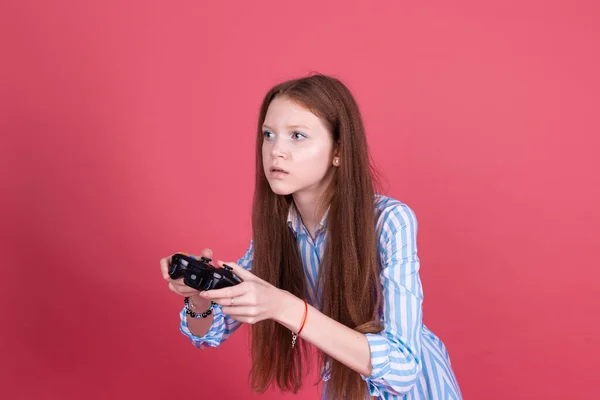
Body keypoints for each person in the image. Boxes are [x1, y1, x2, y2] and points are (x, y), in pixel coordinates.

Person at [160, 74, 462, 400]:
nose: (277, 151)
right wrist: (199, 298)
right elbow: (208, 332)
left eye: (297, 136)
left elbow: (402, 368)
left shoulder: (389, 221)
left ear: (338, 152)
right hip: (346, 388)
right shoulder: (278, 234)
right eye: (268, 135)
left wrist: (287, 307)